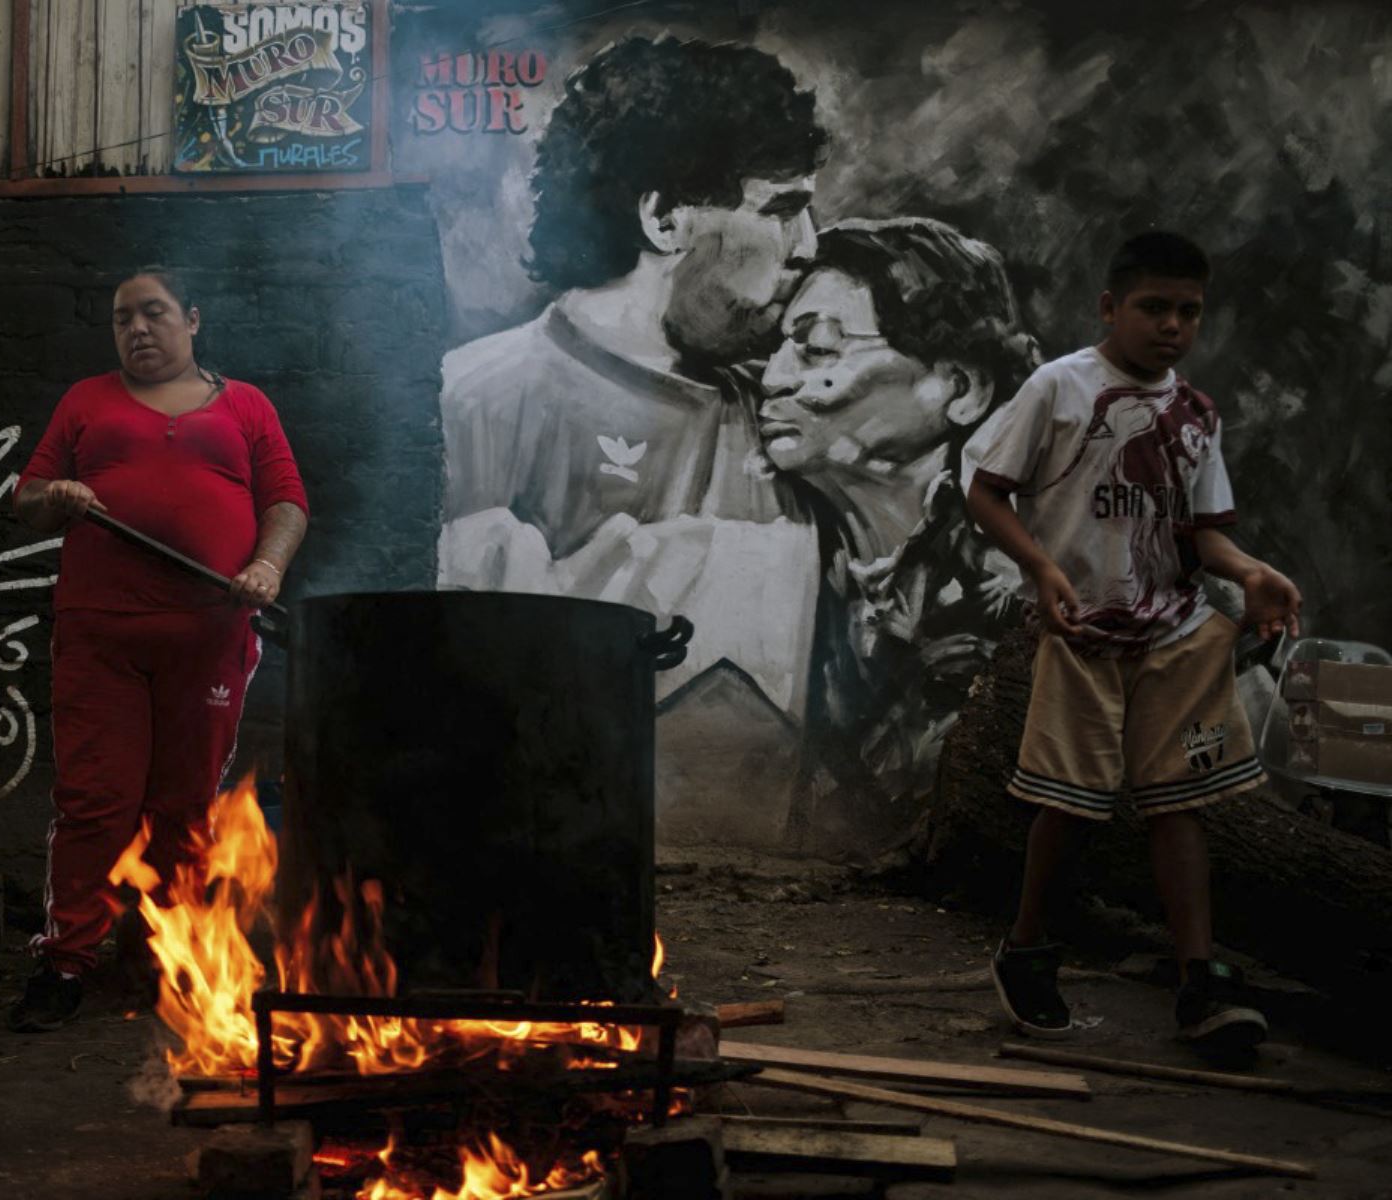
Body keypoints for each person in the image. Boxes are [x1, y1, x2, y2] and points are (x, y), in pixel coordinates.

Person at [963, 231, 1301, 1052]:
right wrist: (1040, 567)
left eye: (1189, 312)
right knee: (1070, 806)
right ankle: (1029, 947)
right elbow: (985, 490)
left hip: (1176, 632)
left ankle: (1198, 981)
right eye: (1154, 307)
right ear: (1111, 307)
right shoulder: (1060, 387)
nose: (1173, 326)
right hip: (1084, 633)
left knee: (1178, 806)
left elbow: (1206, 538)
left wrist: (1251, 572)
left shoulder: (1196, 414)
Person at [438, 33, 830, 714]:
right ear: (665, 218)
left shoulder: (786, 413)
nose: (809, 246)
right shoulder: (472, 399)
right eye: (782, 210)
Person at [6, 268, 308, 1032]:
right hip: (100, 637)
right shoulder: (86, 401)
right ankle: (67, 960)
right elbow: (25, 502)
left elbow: (286, 503)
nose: (136, 329)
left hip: (209, 639)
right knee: (95, 804)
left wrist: (267, 565)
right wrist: (58, 497)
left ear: (193, 319)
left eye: (153, 313)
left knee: (183, 808)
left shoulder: (246, 406)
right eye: (121, 319)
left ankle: (164, 959)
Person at [750, 217, 1041, 848]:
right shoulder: (767, 554)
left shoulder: (1035, 572)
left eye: (818, 348)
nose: (773, 377)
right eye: (777, 347)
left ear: (959, 389)